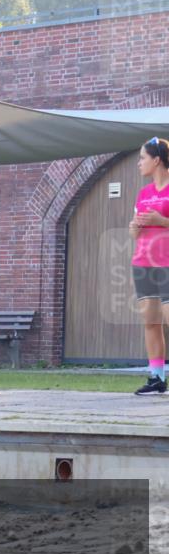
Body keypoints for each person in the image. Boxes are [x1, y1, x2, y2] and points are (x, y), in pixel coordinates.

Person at [128, 136, 169, 395]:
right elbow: (134, 233)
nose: (139, 163)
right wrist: (134, 227)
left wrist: (161, 220)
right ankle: (157, 378)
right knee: (151, 322)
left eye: (142, 158)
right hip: (143, 263)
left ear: (157, 160)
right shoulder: (143, 193)